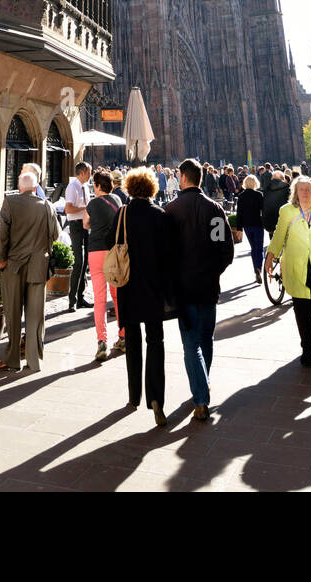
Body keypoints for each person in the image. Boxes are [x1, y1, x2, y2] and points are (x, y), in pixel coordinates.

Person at [164, 158, 233, 420]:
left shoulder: (171, 210)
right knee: (206, 338)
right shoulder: (214, 209)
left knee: (191, 344)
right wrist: (213, 271)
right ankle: (203, 383)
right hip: (207, 285)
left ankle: (201, 398)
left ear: (182, 177)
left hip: (184, 288)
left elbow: (166, 252)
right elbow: (224, 249)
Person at [111, 166, 176, 427]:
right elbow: (170, 255)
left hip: (127, 286)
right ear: (152, 189)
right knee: (155, 341)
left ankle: (133, 396)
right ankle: (156, 399)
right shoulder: (160, 215)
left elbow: (110, 242)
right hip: (153, 289)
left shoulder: (123, 214)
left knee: (133, 341)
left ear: (129, 188)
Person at [0, 171, 59, 373]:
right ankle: (34, 360)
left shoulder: (10, 202)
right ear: (36, 188)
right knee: (36, 315)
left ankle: (12, 359)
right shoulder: (47, 206)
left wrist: (0, 260)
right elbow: (55, 234)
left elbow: (2, 235)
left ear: (20, 187)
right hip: (38, 266)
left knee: (12, 313)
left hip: (13, 267)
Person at [266, 176, 311, 369]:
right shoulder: (287, 211)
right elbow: (279, 235)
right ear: (295, 193)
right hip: (297, 270)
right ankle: (307, 349)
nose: (305, 193)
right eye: (301, 189)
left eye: (308, 189)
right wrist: (270, 256)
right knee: (302, 314)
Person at [83, 169, 125, 361]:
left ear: (98, 186)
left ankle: (102, 342)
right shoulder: (117, 200)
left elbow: (85, 224)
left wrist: (95, 225)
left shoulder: (92, 203)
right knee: (117, 297)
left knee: (99, 300)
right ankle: (123, 336)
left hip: (96, 252)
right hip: (113, 252)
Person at [64, 162, 92, 311]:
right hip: (75, 226)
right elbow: (68, 209)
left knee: (85, 261)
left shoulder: (85, 187)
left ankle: (81, 298)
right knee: (78, 262)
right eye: (88, 172)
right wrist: (86, 208)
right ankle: (72, 300)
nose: (90, 176)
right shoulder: (72, 187)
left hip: (85, 226)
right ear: (82, 172)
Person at [234, 174, 265, 283]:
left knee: (253, 247)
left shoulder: (241, 196)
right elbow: (263, 210)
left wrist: (239, 229)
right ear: (255, 183)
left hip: (247, 225)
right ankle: (259, 268)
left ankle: (255, 269)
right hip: (258, 223)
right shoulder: (259, 195)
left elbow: (239, 213)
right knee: (259, 248)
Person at [262, 169, 290, 235]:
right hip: (282, 220)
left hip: (268, 220)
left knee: (272, 241)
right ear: (283, 178)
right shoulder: (287, 187)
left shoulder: (266, 188)